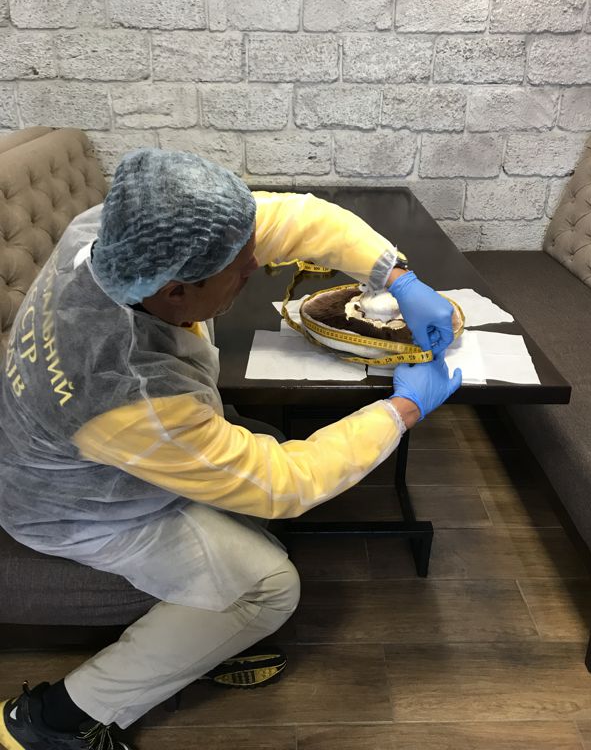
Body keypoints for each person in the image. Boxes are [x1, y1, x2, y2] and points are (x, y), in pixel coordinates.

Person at [0, 149, 461, 750]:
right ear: (175, 291)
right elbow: (282, 486)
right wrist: (403, 410)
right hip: (77, 509)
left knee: (260, 457)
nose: (254, 268)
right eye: (241, 271)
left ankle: (196, 647)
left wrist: (396, 277)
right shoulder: (130, 392)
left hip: (83, 452)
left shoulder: (110, 234)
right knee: (269, 589)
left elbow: (295, 220)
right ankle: (54, 721)